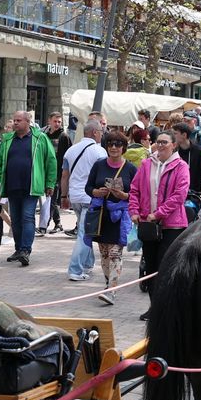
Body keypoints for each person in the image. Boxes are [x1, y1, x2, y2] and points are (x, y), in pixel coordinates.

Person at [129, 131, 190, 321]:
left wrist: (159, 213)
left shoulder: (181, 166)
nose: (161, 145)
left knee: (166, 268)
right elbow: (134, 189)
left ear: (174, 145)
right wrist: (134, 211)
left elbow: (179, 196)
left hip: (172, 225)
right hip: (148, 225)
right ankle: (154, 308)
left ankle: (168, 308)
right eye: (158, 142)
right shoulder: (147, 164)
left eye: (165, 142)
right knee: (150, 267)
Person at [0, 110, 56, 267]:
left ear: (28, 122)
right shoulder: (6, 140)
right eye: (14, 120)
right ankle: (18, 249)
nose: (15, 123)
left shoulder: (40, 138)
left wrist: (50, 183)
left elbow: (51, 161)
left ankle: (26, 250)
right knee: (16, 220)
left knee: (27, 217)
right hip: (12, 186)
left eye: (19, 120)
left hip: (31, 187)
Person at [84, 131, 135, 305]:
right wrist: (95, 192)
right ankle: (108, 283)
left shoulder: (130, 168)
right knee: (104, 253)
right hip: (100, 215)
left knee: (115, 253)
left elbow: (137, 193)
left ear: (124, 148)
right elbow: (88, 187)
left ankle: (112, 289)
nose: (114, 147)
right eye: (110, 144)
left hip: (120, 217)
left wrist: (124, 196)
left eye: (118, 144)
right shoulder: (99, 165)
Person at [60, 118, 106, 279]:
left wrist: (64, 196)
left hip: (75, 197)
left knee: (84, 230)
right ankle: (75, 270)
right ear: (94, 132)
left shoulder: (71, 150)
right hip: (90, 197)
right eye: (100, 131)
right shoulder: (99, 152)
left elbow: (65, 176)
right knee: (85, 233)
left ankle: (87, 264)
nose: (102, 134)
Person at [40, 112, 71, 235]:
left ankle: (45, 224)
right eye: (55, 121)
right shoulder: (44, 135)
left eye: (59, 121)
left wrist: (64, 174)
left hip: (58, 173)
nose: (57, 124)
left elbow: (67, 156)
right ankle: (58, 223)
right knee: (49, 198)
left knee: (51, 197)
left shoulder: (63, 137)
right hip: (45, 172)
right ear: (49, 121)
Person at [172, 122, 201, 200]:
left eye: (175, 134)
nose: (172, 137)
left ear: (184, 135)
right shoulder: (173, 152)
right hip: (174, 194)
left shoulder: (200, 152)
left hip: (193, 195)